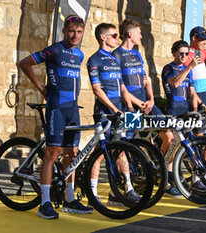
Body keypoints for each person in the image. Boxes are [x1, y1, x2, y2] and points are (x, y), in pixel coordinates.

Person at [18, 15, 93, 219]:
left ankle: (69, 199)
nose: (75, 35)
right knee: (53, 152)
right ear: (64, 31)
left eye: (79, 32)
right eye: (71, 31)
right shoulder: (55, 50)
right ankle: (44, 203)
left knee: (72, 153)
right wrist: (42, 89)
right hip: (56, 107)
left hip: (73, 109)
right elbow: (24, 63)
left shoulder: (79, 54)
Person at [111, 19, 179, 196]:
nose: (141, 36)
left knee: (171, 136)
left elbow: (146, 79)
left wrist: (151, 100)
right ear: (130, 34)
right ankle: (127, 184)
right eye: (139, 33)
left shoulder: (137, 55)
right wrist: (138, 104)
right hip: (131, 107)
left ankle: (161, 173)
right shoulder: (116, 55)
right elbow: (122, 87)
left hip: (147, 103)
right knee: (126, 145)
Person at [86, 23, 142, 205]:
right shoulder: (94, 60)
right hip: (105, 113)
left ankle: (124, 189)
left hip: (120, 111)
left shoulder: (114, 59)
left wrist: (131, 106)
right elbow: (96, 89)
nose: (117, 39)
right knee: (100, 153)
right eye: (114, 35)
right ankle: (92, 193)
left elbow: (123, 87)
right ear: (103, 37)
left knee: (122, 149)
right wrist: (114, 108)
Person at [161, 40, 206, 191]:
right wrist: (189, 67)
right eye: (181, 53)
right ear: (174, 53)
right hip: (173, 110)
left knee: (190, 145)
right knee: (174, 145)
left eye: (186, 54)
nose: (184, 56)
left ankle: (191, 177)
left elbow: (192, 92)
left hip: (186, 110)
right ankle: (168, 177)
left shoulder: (187, 70)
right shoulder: (168, 68)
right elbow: (175, 83)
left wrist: (196, 110)